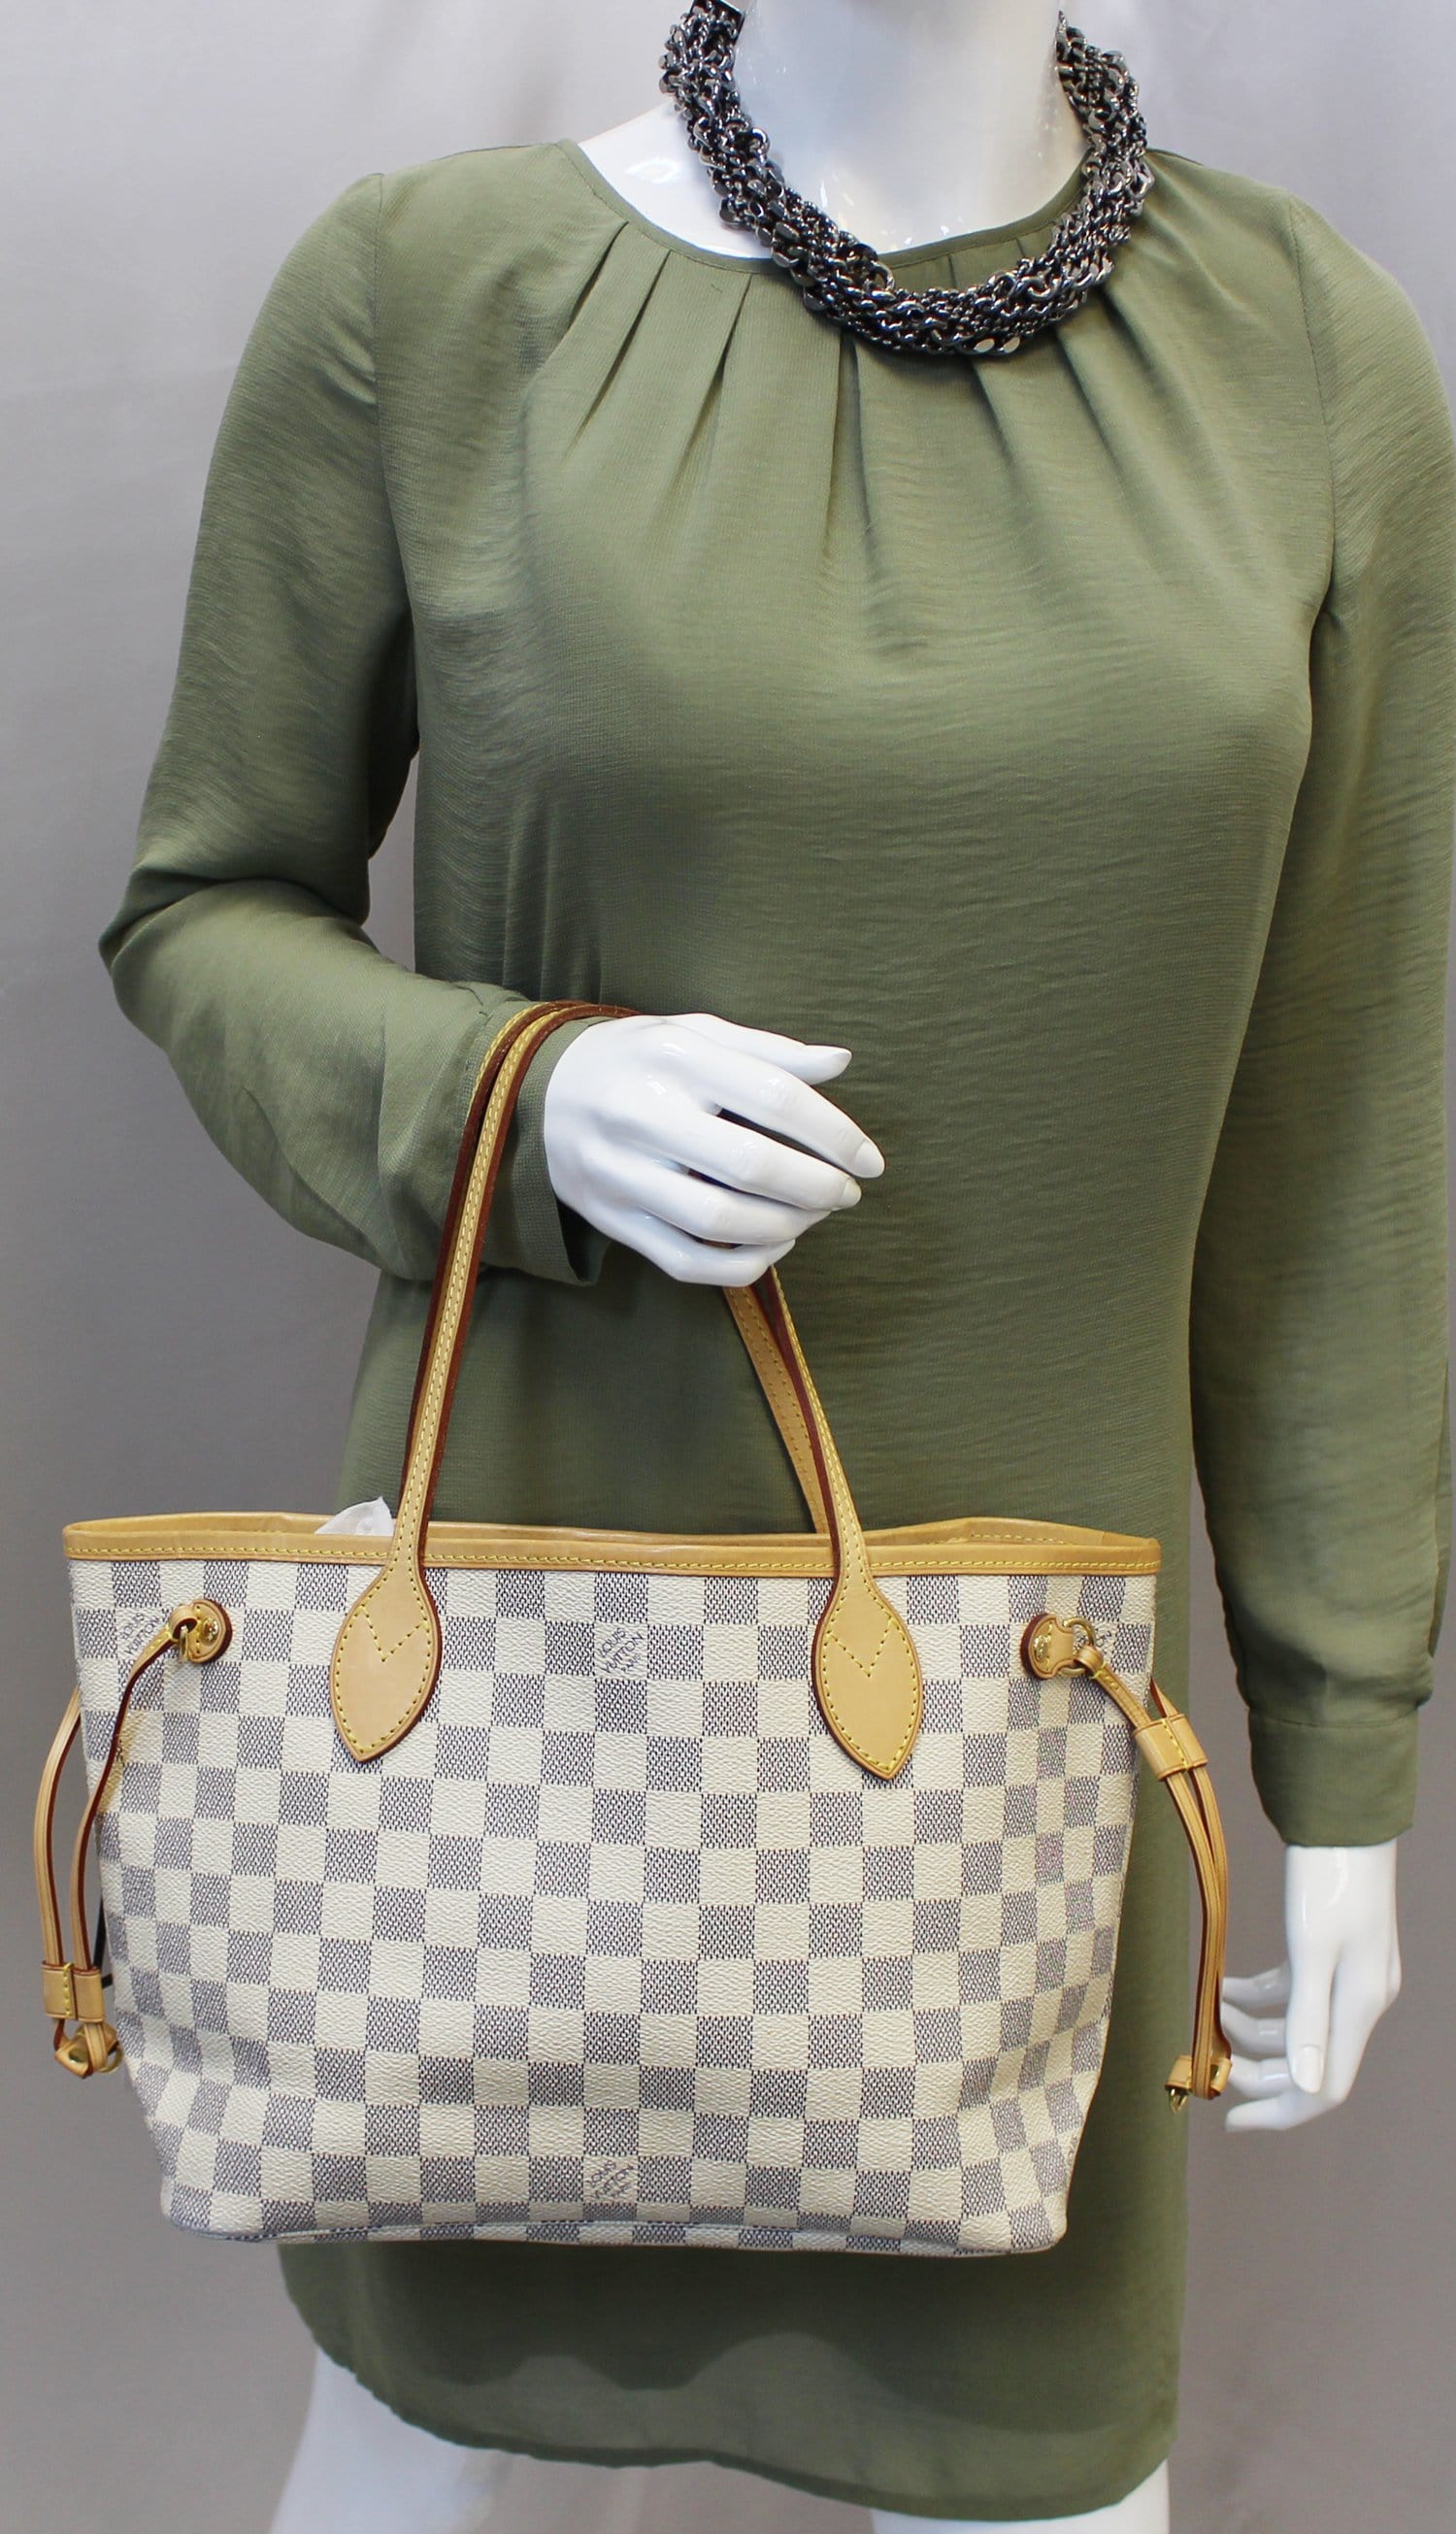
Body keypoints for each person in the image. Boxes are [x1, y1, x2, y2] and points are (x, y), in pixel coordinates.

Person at [99, 3, 1455, 2526]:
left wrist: (1338, 1745)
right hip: (508, 1704)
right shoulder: (438, 294)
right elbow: (206, 914)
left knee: (1042, 2450)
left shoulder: (1305, 353)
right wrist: (516, 1090)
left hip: (1023, 1730)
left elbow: (1344, 1107)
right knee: (417, 2436)